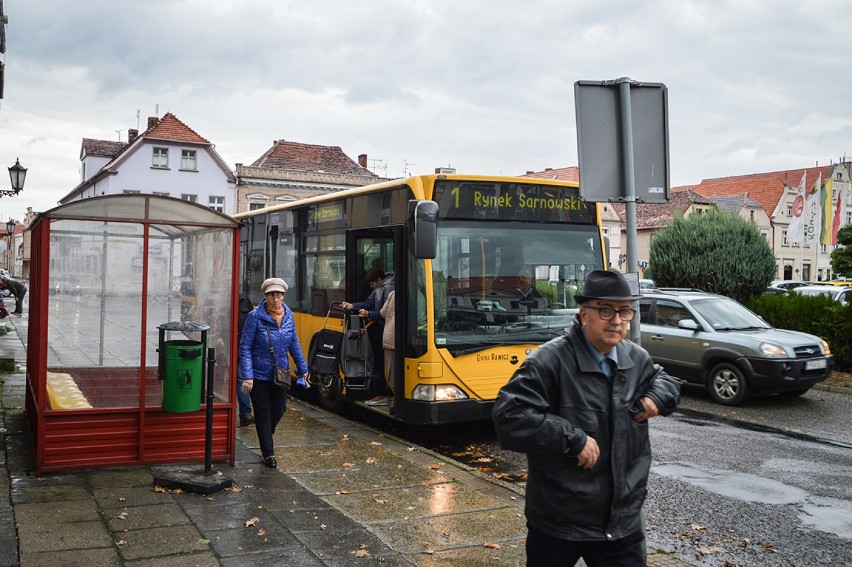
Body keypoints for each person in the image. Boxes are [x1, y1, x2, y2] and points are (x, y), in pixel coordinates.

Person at [492, 269, 681, 566]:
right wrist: (573, 439)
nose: (617, 320)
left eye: (625, 311)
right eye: (606, 310)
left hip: (621, 523)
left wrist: (657, 396)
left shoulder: (635, 358)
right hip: (560, 521)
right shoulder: (549, 361)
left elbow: (666, 380)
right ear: (584, 315)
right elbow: (510, 416)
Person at [238, 278, 309, 469]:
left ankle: (265, 433)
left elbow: (293, 342)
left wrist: (303, 370)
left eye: (278, 294)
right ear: (265, 296)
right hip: (259, 375)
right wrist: (247, 376)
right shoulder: (254, 317)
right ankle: (268, 453)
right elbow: (245, 347)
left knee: (279, 410)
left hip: (280, 374)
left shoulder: (288, 316)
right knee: (263, 412)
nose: (275, 299)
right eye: (271, 295)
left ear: (283, 295)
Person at [342, 268, 394, 402]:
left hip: (386, 330)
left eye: (372, 284)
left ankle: (384, 393)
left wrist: (369, 314)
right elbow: (369, 303)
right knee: (378, 361)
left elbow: (384, 312)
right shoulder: (379, 288)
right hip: (381, 329)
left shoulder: (388, 288)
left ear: (378, 280)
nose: (371, 287)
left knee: (383, 363)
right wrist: (352, 305)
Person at [373, 289, 396, 407]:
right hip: (394, 339)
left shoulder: (392, 294)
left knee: (390, 371)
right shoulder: (418, 295)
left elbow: (382, 313)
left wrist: (369, 314)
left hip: (389, 338)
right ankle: (396, 400)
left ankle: (395, 399)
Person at [237, 293, 255, 426]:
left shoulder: (244, 300)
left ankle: (245, 414)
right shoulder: (220, 298)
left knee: (241, 379)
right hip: (224, 345)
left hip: (242, 348)